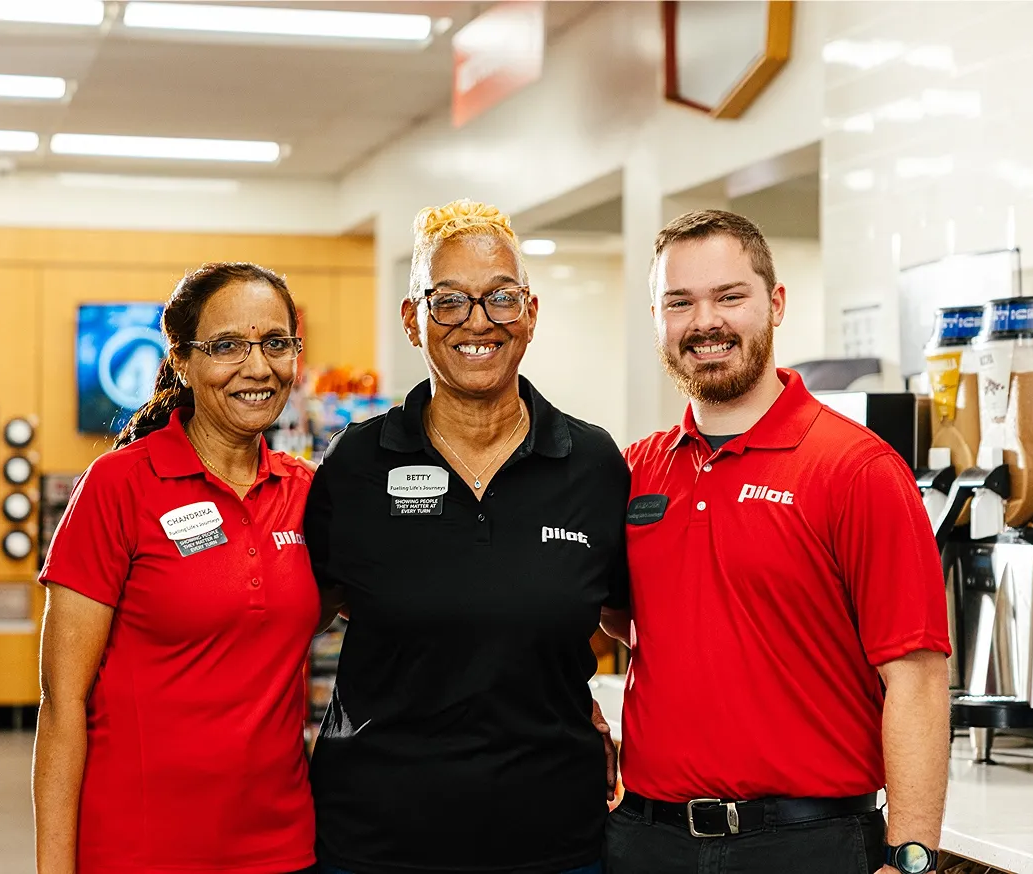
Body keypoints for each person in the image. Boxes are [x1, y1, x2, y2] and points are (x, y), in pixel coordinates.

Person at [602, 210, 951, 874]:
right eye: (680, 302)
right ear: (657, 319)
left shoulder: (857, 470)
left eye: (729, 296)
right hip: (648, 841)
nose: (706, 321)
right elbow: (618, 616)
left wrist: (911, 857)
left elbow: (917, 679)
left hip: (806, 845)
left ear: (775, 303)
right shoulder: (636, 470)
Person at [304, 199, 629, 874]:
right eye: (448, 300)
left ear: (530, 314)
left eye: (500, 298)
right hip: (377, 842)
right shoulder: (355, 467)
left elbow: (632, 621)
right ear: (411, 321)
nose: (477, 322)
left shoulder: (592, 465)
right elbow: (296, 615)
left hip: (552, 842)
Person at [33, 262, 319, 874]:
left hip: (282, 848)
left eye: (276, 343)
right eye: (226, 346)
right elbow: (62, 704)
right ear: (182, 360)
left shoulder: (308, 493)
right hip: (140, 848)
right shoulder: (119, 486)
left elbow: (403, 614)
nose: (257, 367)